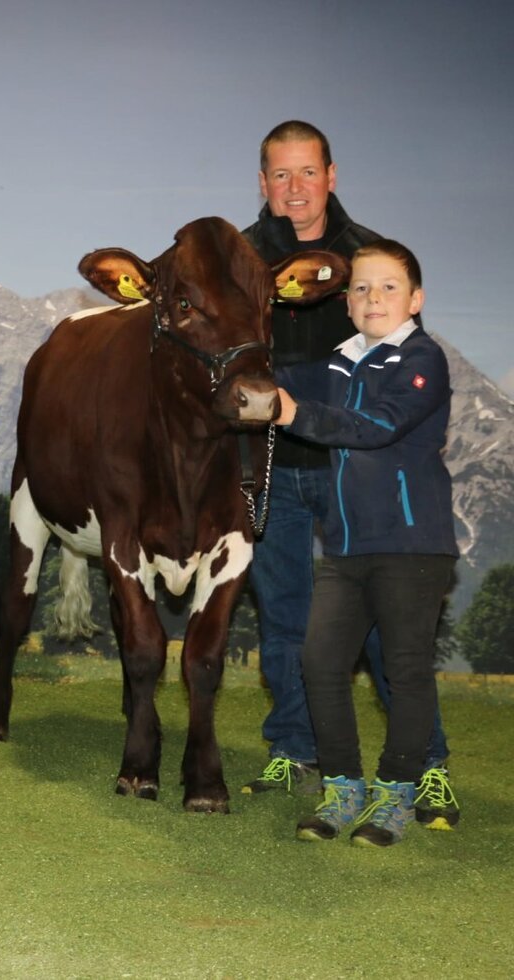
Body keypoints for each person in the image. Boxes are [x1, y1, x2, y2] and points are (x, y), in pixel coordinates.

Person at [241, 122, 454, 819]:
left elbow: (384, 382)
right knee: (283, 617)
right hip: (269, 467)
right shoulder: (238, 260)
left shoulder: (371, 261)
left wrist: (284, 396)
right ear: (263, 183)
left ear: (332, 174)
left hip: (352, 474)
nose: (295, 188)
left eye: (308, 173)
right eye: (281, 175)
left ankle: (425, 764)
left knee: (381, 629)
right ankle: (297, 747)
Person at [277, 240, 457, 845]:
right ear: (347, 303)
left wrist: (289, 413)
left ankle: (396, 794)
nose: (372, 297)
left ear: (416, 300)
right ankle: (342, 789)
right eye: (360, 288)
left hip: (413, 548)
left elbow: (375, 426)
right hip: (346, 549)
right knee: (320, 662)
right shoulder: (338, 361)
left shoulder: (422, 358)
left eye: (387, 287)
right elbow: (270, 374)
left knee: (405, 671)